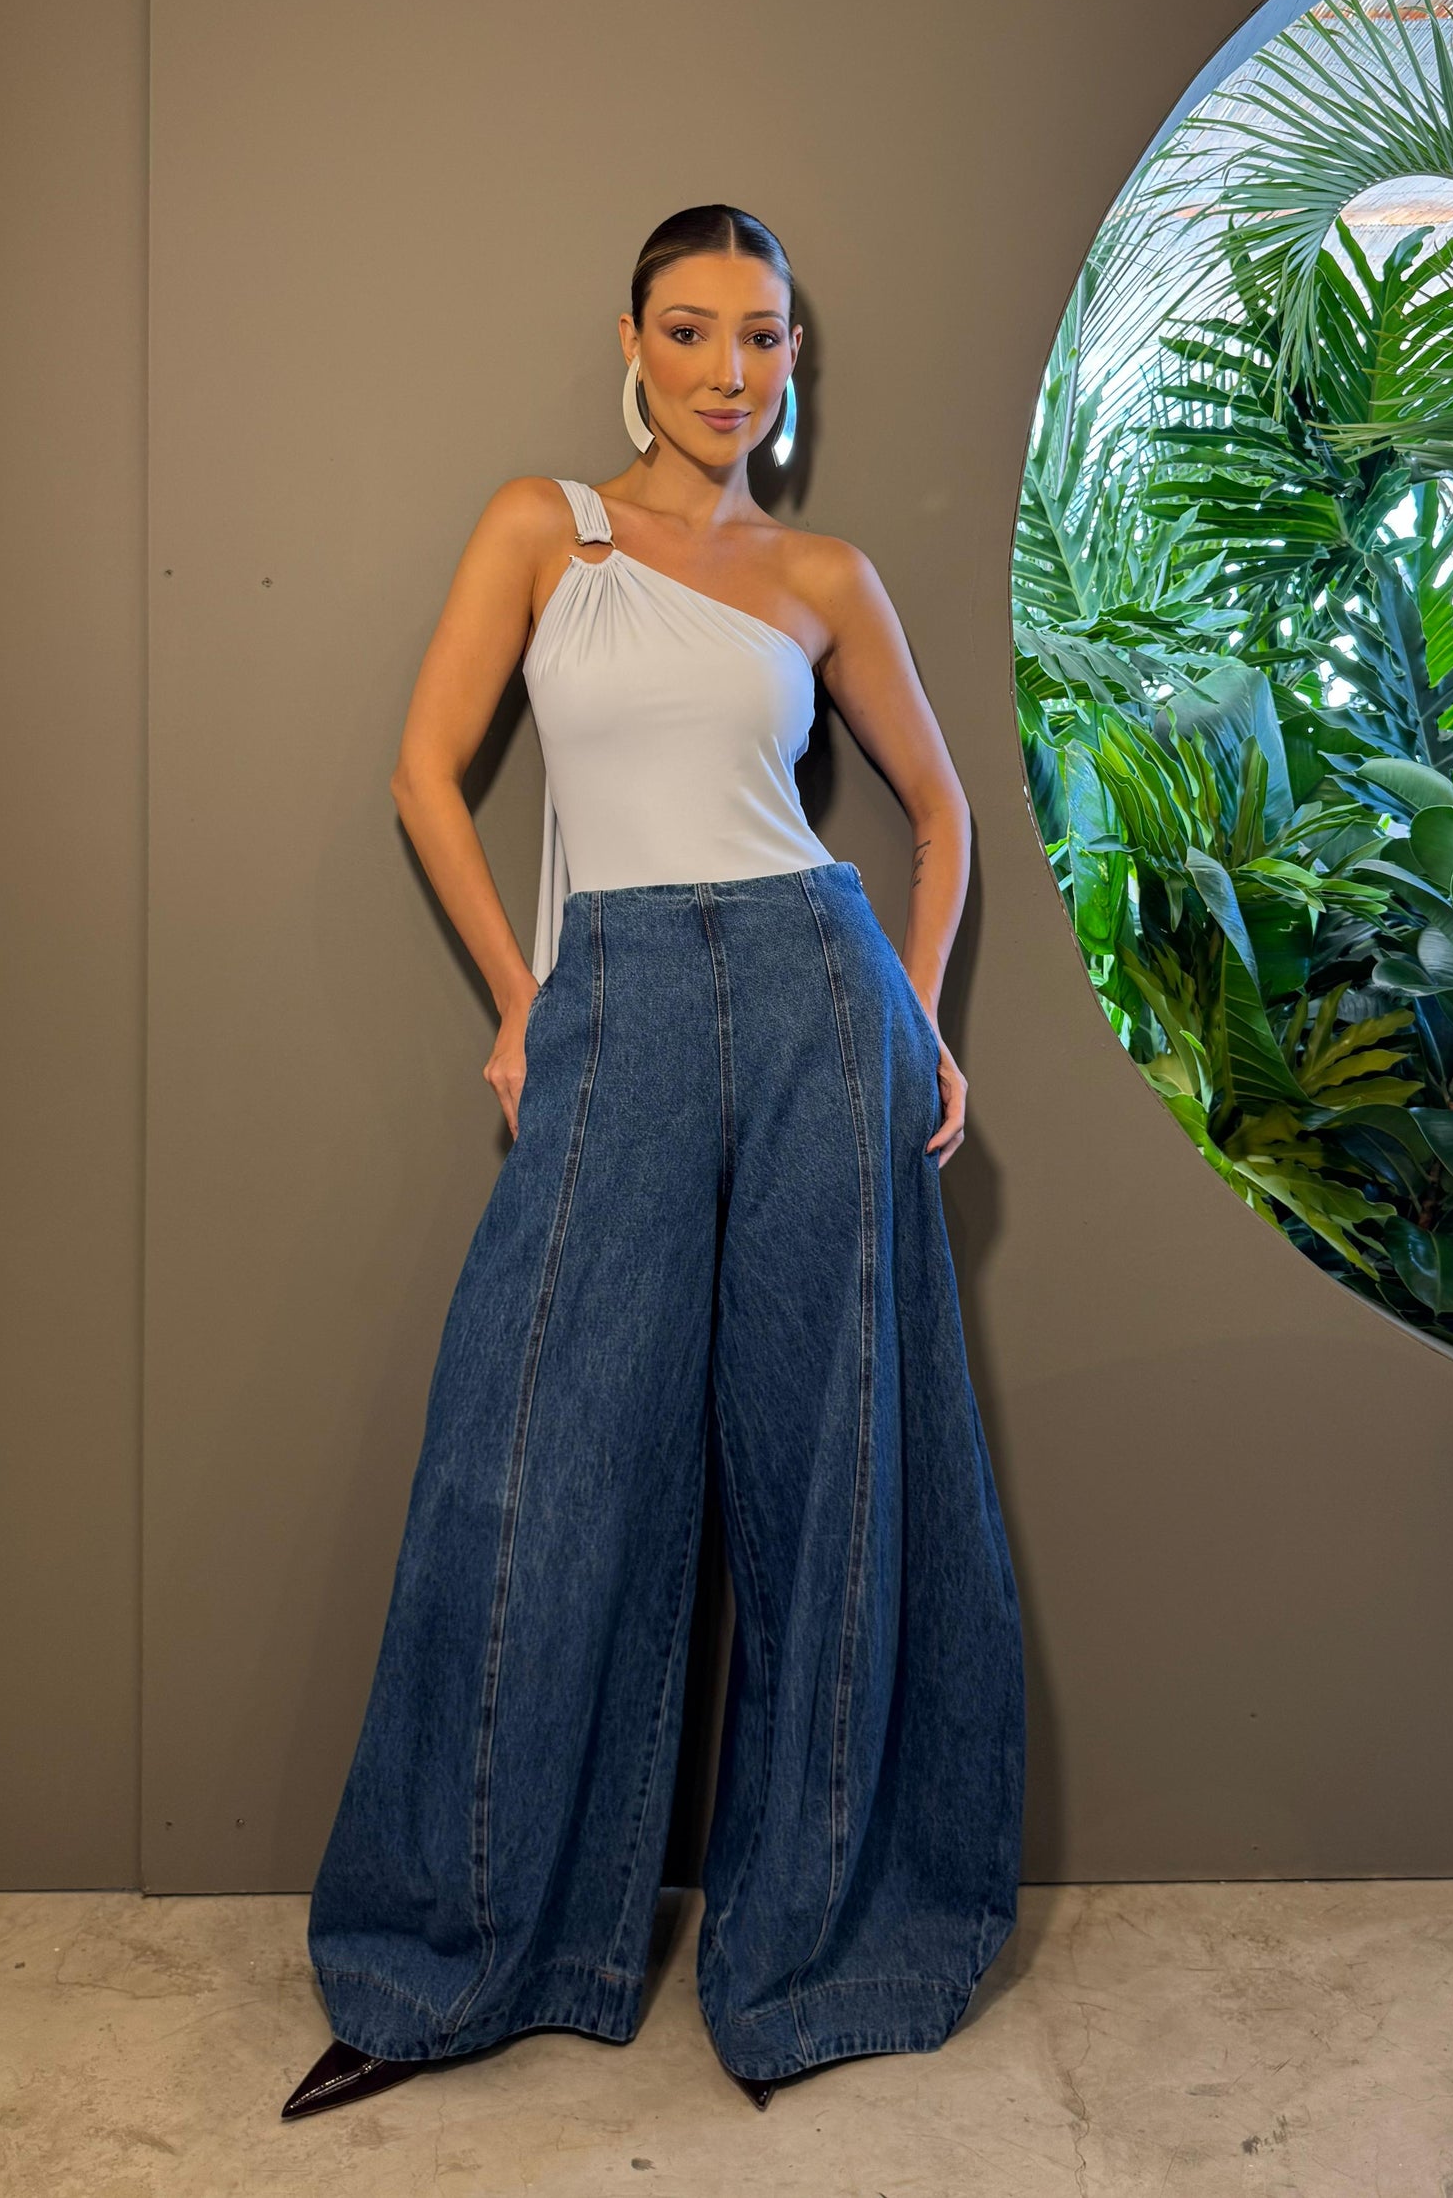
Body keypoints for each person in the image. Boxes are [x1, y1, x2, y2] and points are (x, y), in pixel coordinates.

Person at [283, 205, 1025, 2121]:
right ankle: (452, 1965)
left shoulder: (824, 574)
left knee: (831, 1465)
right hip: (612, 989)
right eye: (690, 330)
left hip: (812, 993)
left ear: (793, 357)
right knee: (533, 1459)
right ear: (631, 341)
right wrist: (522, 998)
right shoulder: (546, 527)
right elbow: (423, 774)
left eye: (760, 336)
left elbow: (940, 814)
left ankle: (818, 1961)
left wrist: (918, 1017)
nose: (725, 369)